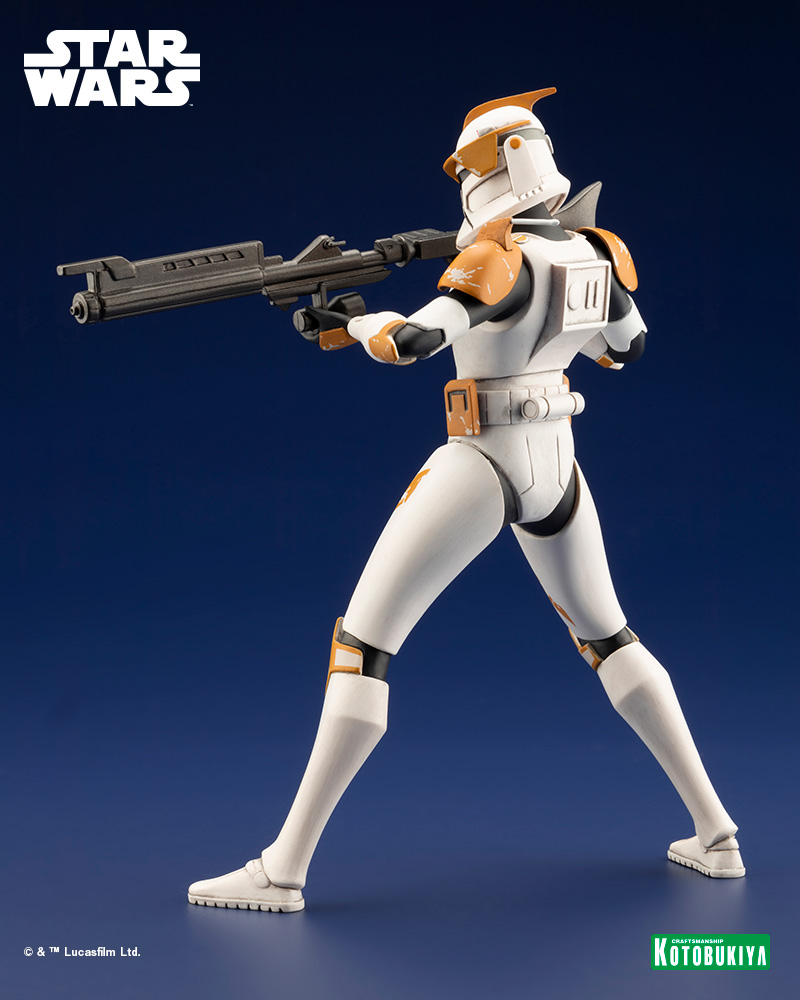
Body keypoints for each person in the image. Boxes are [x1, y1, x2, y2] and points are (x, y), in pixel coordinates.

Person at [188, 88, 744, 912]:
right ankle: (717, 833)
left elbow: (412, 342)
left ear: (498, 167)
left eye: (467, 172)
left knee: (362, 647)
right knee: (610, 637)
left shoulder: (497, 258)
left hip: (483, 459)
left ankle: (283, 870)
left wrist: (358, 324)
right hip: (558, 462)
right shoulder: (597, 252)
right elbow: (625, 350)